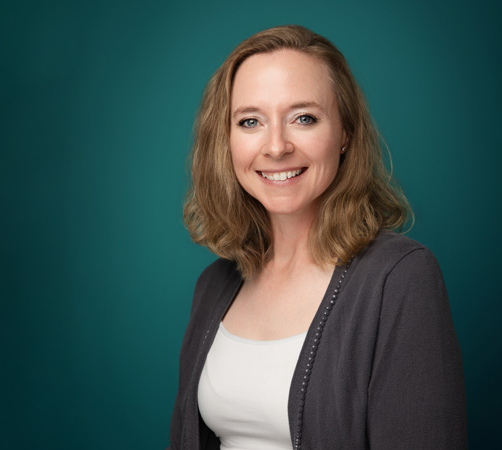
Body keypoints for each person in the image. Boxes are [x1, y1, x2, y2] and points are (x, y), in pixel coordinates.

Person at [169, 25, 467, 450]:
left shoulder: (400, 279)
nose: (275, 147)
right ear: (227, 140)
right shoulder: (214, 285)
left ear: (345, 133)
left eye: (303, 118)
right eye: (250, 121)